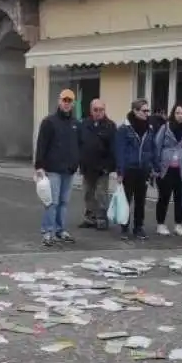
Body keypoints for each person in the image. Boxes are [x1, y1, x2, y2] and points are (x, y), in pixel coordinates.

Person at [34, 89, 81, 246]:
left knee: (64, 202)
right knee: (51, 202)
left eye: (70, 101)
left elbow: (79, 145)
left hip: (69, 169)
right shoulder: (49, 122)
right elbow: (42, 144)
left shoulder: (75, 124)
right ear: (59, 101)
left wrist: (77, 162)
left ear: (73, 103)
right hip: (53, 168)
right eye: (64, 100)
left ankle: (60, 230)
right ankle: (48, 232)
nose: (67, 103)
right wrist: (39, 166)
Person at [114, 98, 160, 240]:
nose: (147, 113)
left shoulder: (149, 128)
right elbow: (120, 151)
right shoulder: (124, 128)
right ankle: (124, 227)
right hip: (129, 169)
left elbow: (152, 149)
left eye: (148, 110)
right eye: (144, 110)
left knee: (141, 200)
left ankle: (138, 227)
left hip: (143, 169)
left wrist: (154, 167)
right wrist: (120, 171)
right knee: (126, 199)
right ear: (135, 111)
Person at [154, 104, 182, 236]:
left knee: (180, 198)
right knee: (164, 197)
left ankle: (178, 224)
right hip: (166, 169)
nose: (180, 116)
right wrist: (155, 167)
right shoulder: (165, 127)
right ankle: (160, 224)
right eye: (178, 113)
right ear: (173, 114)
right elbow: (157, 145)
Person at [78, 98, 116, 230]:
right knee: (88, 193)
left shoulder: (110, 126)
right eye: (96, 110)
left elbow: (113, 149)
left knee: (101, 194)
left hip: (102, 168)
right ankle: (89, 218)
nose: (98, 112)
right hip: (87, 167)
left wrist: (109, 167)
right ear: (91, 110)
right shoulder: (83, 124)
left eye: (101, 110)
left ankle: (101, 219)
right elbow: (80, 144)